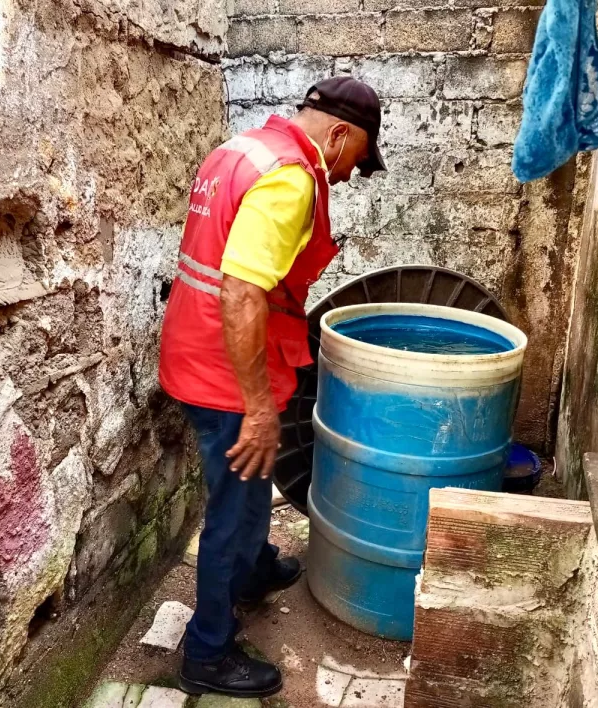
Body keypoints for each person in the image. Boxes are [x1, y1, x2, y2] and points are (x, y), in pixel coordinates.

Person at [159, 76, 386, 699]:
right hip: (225, 372)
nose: (348, 175)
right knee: (231, 511)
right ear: (338, 134)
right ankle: (207, 652)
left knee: (252, 479)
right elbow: (241, 291)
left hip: (195, 349)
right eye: (357, 158)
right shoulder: (289, 179)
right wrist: (259, 407)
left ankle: (254, 570)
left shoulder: (241, 150)